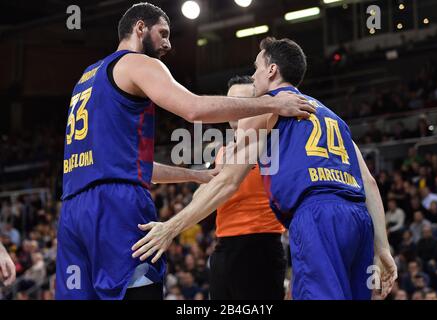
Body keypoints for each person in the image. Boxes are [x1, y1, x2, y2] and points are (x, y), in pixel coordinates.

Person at [56, 3, 314, 300]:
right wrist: (272, 103)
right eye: (163, 33)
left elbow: (133, 165)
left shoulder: (86, 79)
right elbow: (193, 109)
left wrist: (197, 176)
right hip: (116, 205)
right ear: (140, 28)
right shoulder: (139, 63)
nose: (168, 43)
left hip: (73, 211)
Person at [132, 37, 397, 300]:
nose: (254, 76)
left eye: (257, 68)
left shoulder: (269, 107)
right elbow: (369, 182)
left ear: (272, 70)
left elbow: (227, 180)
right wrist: (382, 246)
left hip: (312, 216)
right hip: (358, 219)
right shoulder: (333, 117)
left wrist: (170, 228)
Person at [207, 75, 286, 300]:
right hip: (224, 246)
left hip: (260, 244)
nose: (232, 108)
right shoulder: (222, 151)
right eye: (229, 101)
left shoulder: (271, 141)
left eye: (240, 101)